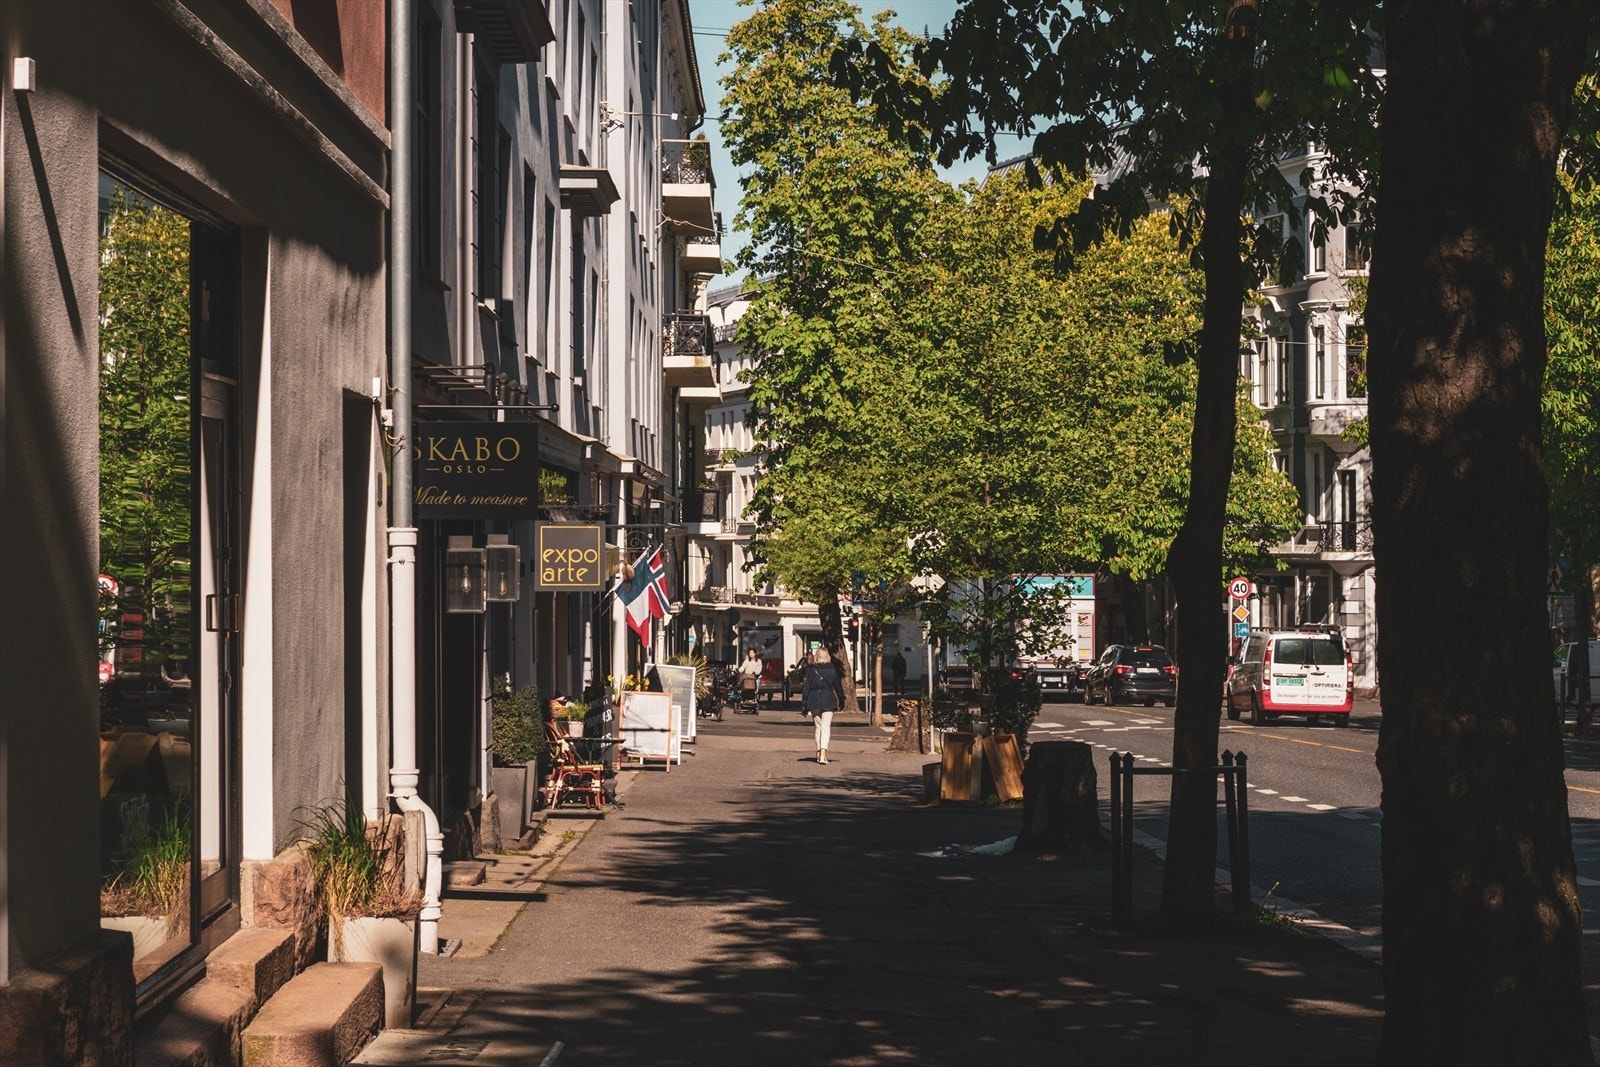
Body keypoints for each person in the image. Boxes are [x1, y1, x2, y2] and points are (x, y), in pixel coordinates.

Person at [802, 647, 845, 764]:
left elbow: (806, 688)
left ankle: (818, 751)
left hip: (814, 699)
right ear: (828, 656)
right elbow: (838, 686)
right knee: (826, 727)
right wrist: (842, 699)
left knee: (818, 727)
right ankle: (823, 754)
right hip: (828, 699)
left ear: (817, 656)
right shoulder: (832, 669)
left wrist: (804, 704)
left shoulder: (811, 670)